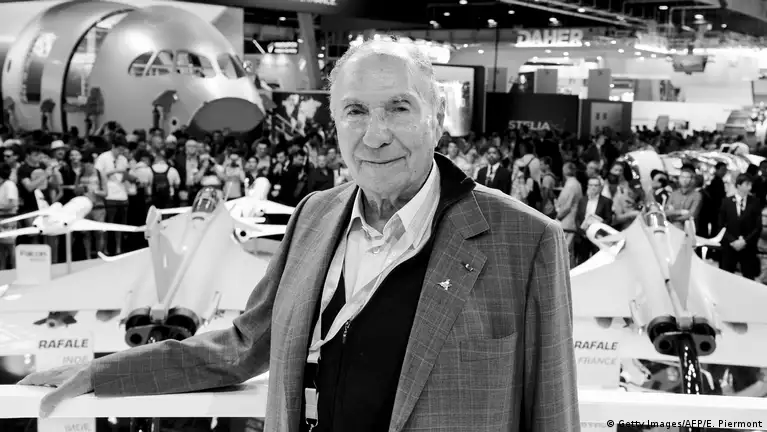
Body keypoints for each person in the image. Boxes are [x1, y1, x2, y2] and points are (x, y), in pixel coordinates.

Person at [19, 40, 578, 431]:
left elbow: (553, 412)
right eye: (355, 111)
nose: (375, 135)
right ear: (334, 125)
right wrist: (105, 371)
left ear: (436, 118)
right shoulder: (315, 216)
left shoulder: (523, 240)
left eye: (399, 108)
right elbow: (243, 346)